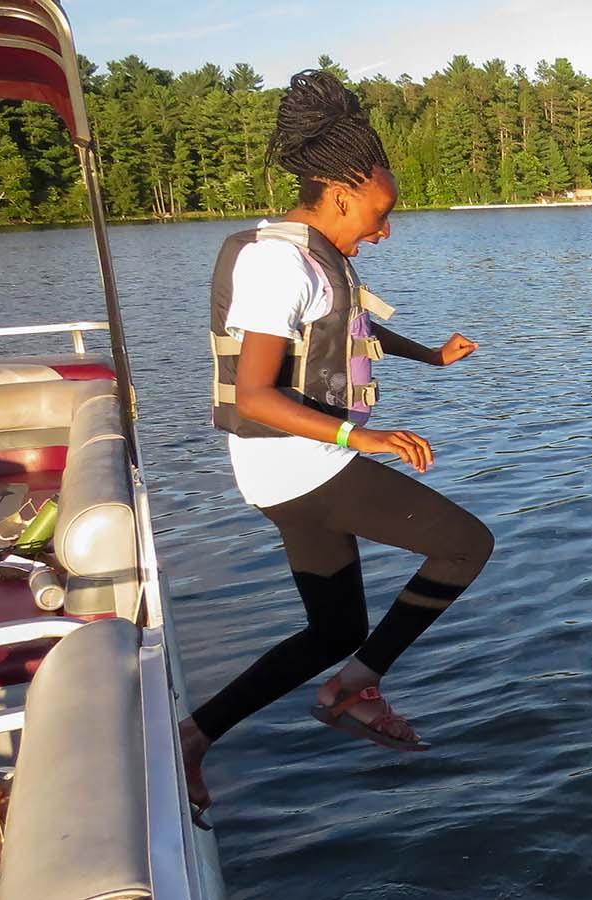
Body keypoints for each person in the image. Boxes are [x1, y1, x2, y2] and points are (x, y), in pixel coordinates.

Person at [179, 70, 495, 823]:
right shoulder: (276, 261)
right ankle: (354, 687)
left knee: (335, 628)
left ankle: (196, 735)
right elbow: (256, 393)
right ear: (342, 193)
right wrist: (366, 436)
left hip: (288, 469)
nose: (384, 231)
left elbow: (347, 325)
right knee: (465, 545)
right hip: (298, 464)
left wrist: (430, 357)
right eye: (381, 214)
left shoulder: (314, 256)